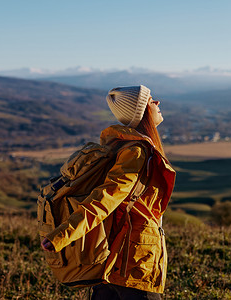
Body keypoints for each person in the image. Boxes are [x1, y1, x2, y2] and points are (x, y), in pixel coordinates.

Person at [41, 85, 176, 299]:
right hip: (132, 260)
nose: (157, 103)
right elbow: (105, 199)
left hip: (112, 258)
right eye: (151, 100)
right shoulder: (136, 151)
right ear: (140, 113)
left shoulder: (120, 145)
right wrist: (62, 235)